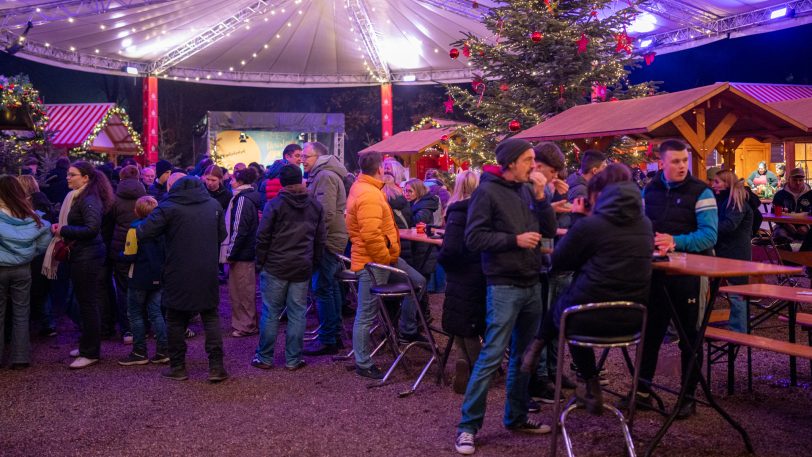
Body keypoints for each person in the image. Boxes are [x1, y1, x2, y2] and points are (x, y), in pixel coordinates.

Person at [520, 164, 654, 415]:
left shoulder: (591, 225)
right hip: (634, 321)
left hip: (587, 321)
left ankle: (575, 371)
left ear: (599, 196)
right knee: (572, 303)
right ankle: (587, 382)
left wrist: (580, 218)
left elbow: (560, 262)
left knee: (567, 307)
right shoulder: (645, 224)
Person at [454, 138, 557, 455]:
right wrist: (515, 240)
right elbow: (473, 238)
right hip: (503, 285)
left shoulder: (528, 190)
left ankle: (516, 416)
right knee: (492, 355)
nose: (534, 165)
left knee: (525, 356)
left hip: (532, 281)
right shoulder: (486, 192)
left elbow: (549, 230)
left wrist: (541, 197)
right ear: (511, 162)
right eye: (528, 159)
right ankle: (467, 428)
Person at [625, 139, 718, 419]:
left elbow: (710, 236)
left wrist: (674, 241)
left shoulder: (701, 192)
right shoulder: (649, 190)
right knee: (650, 334)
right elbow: (640, 224)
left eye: (684, 160)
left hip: (690, 275)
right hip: (656, 273)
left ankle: (687, 397)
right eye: (675, 161)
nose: (681, 166)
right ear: (661, 163)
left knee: (689, 337)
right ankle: (641, 393)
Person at [136, 176, 228, 382]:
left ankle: (177, 367)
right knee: (210, 316)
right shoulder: (213, 204)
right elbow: (222, 235)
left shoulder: (168, 207)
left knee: (175, 318)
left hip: (177, 269)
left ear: (173, 187)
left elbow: (144, 232)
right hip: (206, 269)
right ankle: (216, 367)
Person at [346, 152, 426, 380]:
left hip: (381, 258)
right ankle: (363, 362)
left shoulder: (366, 188)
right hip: (374, 262)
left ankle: (406, 330)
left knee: (418, 282)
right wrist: (384, 259)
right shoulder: (369, 194)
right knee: (366, 313)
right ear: (380, 168)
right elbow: (371, 235)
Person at [42, 161, 115, 369]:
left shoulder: (88, 199)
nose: (67, 177)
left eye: (72, 175)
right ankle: (86, 346)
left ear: (85, 178)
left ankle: (91, 351)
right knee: (84, 302)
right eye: (68, 174)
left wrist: (63, 231)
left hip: (88, 255)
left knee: (88, 303)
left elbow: (92, 228)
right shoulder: (79, 197)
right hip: (83, 254)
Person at [252, 165, 326, 370]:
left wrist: (260, 262)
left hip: (275, 265)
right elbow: (320, 239)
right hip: (302, 265)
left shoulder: (275, 204)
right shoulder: (315, 205)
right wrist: (314, 263)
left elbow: (263, 236)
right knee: (297, 313)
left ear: (283, 182)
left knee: (271, 312)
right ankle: (293, 359)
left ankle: (265, 357)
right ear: (301, 180)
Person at [300, 141, 350, 355]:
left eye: (306, 156)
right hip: (332, 237)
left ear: (319, 158)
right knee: (331, 287)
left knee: (322, 287)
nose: (302, 160)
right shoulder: (322, 175)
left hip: (328, 239)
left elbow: (326, 213)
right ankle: (333, 335)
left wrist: (316, 240)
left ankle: (328, 338)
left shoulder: (325, 176)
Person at [438, 170, 485, 394]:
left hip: (459, 272)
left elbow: (451, 249)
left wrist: (443, 260)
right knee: (470, 321)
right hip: (477, 270)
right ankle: (478, 369)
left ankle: (463, 360)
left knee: (460, 318)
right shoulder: (481, 210)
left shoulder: (455, 210)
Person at [0, 176, 52, 369]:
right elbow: (43, 244)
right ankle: (20, 357)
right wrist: (27, 254)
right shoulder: (31, 216)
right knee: (22, 312)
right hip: (23, 269)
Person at [118, 196, 169, 365]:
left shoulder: (134, 230)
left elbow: (130, 254)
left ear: (137, 211)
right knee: (156, 313)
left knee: (135, 313)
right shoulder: (163, 229)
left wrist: (119, 255)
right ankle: (163, 350)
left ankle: (139, 351)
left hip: (139, 276)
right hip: (158, 275)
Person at [106, 165, 145, 344]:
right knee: (143, 287)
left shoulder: (113, 198)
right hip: (142, 245)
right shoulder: (146, 197)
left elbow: (108, 224)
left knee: (122, 289)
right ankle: (143, 327)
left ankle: (127, 329)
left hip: (120, 247)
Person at [711, 170, 753, 333]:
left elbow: (729, 226)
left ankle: (739, 330)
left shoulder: (736, 202)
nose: (713, 184)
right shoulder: (727, 200)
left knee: (737, 292)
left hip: (735, 252)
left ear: (726, 183)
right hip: (728, 250)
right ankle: (737, 327)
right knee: (734, 291)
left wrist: (707, 228)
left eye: (716, 182)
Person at [222, 167, 262, 338]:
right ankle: (246, 323)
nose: (230, 182)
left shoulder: (242, 200)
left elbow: (239, 229)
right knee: (244, 290)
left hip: (242, 254)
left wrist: (230, 253)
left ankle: (246, 325)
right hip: (248, 251)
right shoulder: (250, 197)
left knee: (241, 291)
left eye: (232, 179)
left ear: (239, 182)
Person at [771, 167, 812, 244]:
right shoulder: (780, 195)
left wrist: (807, 226)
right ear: (789, 179)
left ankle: (805, 255)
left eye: (800, 180)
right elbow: (774, 213)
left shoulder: (810, 195)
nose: (798, 183)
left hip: (806, 227)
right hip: (784, 226)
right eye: (795, 180)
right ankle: (784, 255)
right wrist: (785, 224)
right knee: (779, 235)